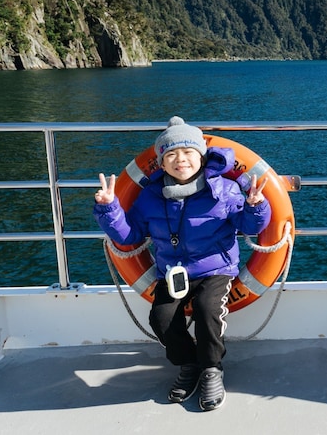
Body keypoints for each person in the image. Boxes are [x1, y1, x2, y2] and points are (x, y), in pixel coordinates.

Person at [94, 116, 271, 411]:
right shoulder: (150, 197)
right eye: (171, 154)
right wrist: (109, 208)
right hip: (172, 273)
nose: (181, 160)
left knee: (206, 310)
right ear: (161, 163)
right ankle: (188, 365)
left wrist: (256, 205)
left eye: (188, 152)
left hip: (216, 268)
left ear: (200, 156)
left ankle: (212, 369)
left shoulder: (223, 190)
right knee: (162, 318)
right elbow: (130, 235)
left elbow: (250, 226)